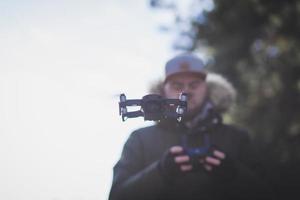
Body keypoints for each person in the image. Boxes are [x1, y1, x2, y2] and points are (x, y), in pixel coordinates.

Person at [109, 53, 273, 200]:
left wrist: (233, 174)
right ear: (162, 91)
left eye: (194, 85)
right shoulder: (140, 140)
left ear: (207, 89)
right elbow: (117, 196)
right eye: (177, 86)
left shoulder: (237, 138)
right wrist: (160, 172)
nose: (186, 91)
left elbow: (269, 193)